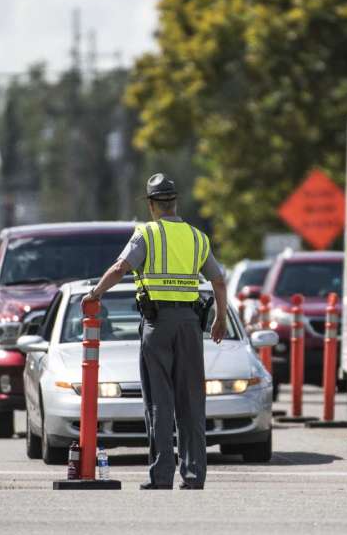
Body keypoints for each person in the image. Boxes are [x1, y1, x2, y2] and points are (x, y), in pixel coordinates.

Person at [82, 173, 227, 490]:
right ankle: (194, 475)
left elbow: (120, 268)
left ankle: (161, 476)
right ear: (175, 203)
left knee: (159, 402)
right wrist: (221, 318)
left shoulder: (146, 234)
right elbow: (218, 279)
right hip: (191, 325)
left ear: (151, 205)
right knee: (191, 401)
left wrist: (95, 294)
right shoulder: (197, 237)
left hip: (157, 325)